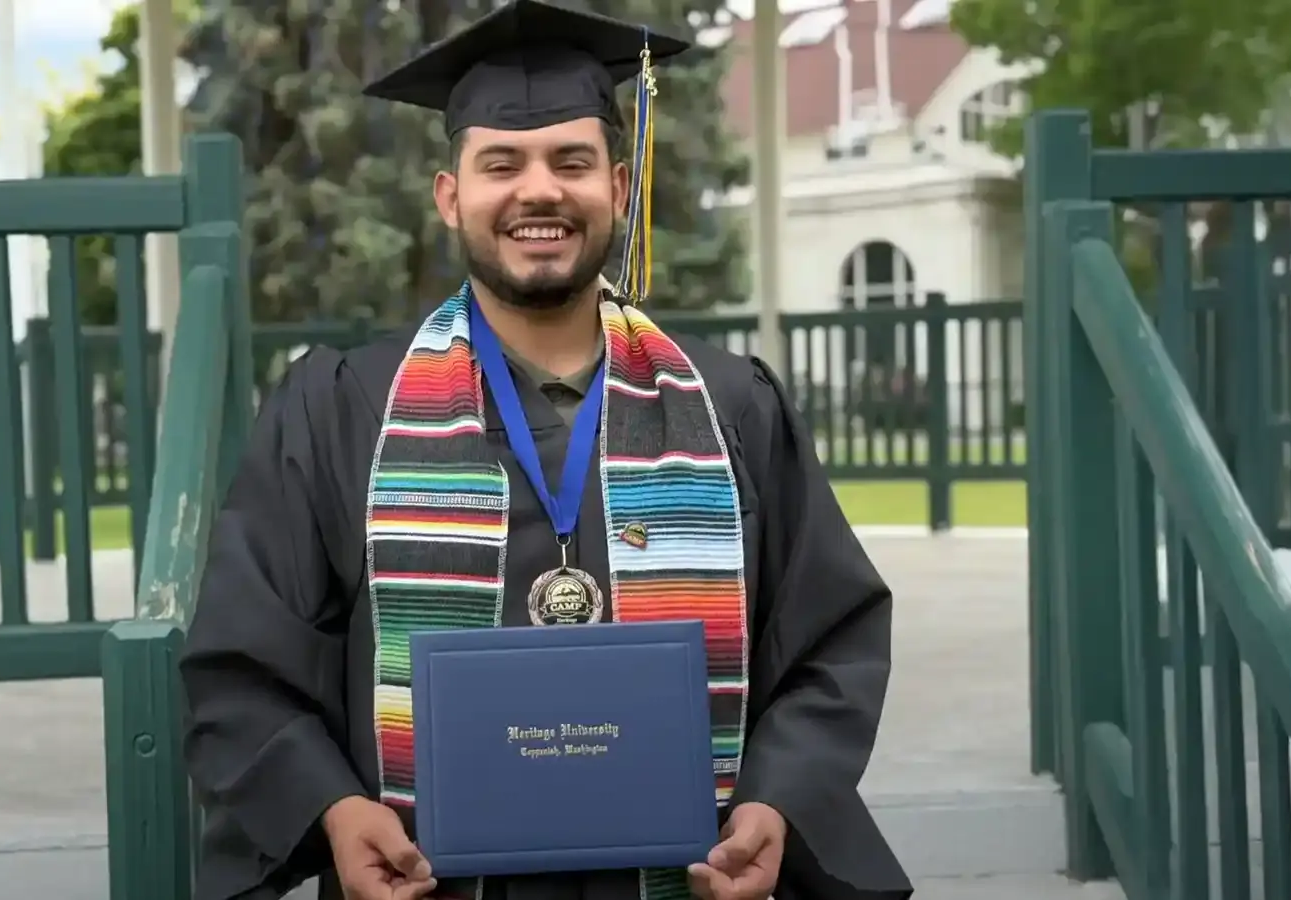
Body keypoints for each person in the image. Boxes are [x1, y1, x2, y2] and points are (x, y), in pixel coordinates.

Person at [178, 3, 911, 900]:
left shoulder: (730, 411)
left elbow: (831, 639)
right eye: (502, 164)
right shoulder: (340, 413)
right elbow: (245, 659)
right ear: (451, 196)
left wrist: (777, 801)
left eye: (571, 161)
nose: (539, 192)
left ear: (617, 183)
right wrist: (333, 809)